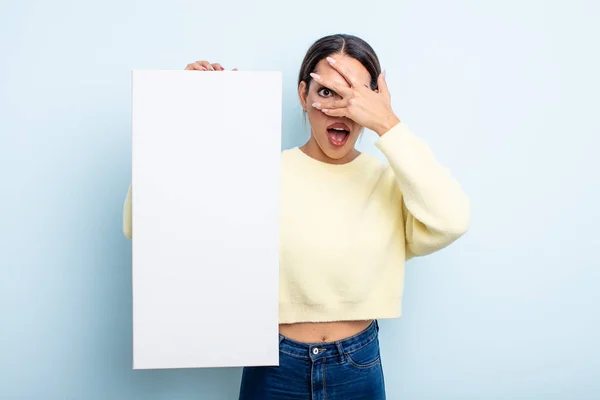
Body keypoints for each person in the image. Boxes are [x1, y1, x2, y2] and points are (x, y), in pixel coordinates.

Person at [122, 34, 470, 399]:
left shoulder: (393, 181)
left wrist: (389, 124)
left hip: (357, 364)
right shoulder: (256, 173)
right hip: (273, 365)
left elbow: (452, 220)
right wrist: (181, 113)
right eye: (327, 92)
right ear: (303, 95)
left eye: (355, 96)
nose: (340, 110)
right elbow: (141, 226)